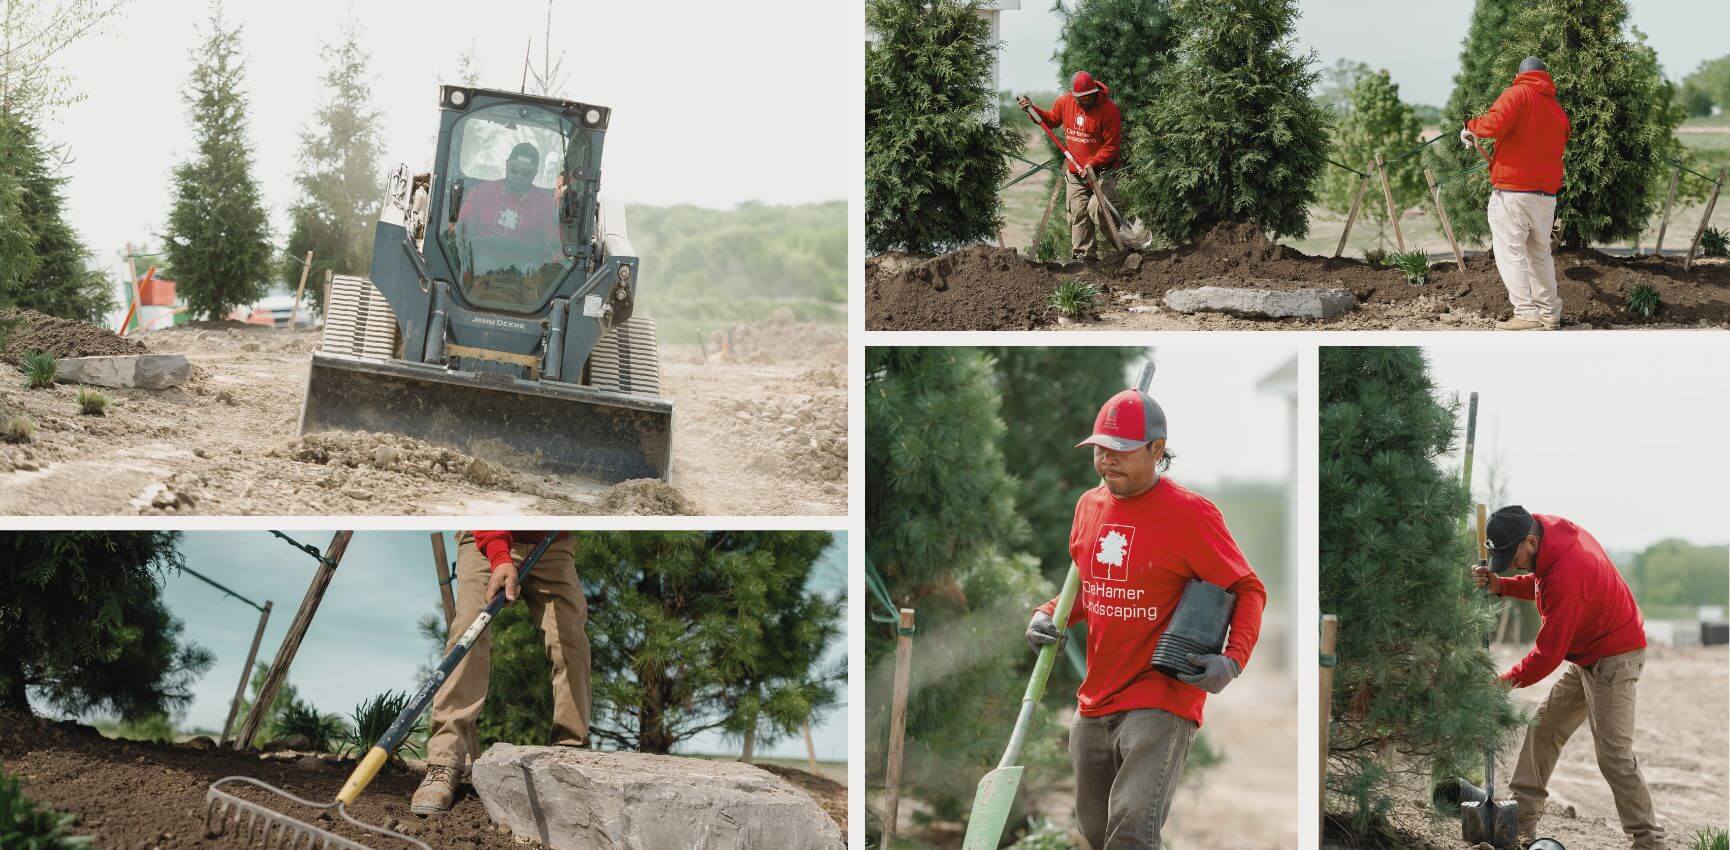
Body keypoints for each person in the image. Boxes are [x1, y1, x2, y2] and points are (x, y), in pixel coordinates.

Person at [1025, 387, 1266, 850]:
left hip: (1161, 696)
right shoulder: (1089, 507)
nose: (1107, 459)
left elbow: (1248, 588)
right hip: (1095, 700)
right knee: (1097, 833)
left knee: (1132, 832)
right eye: (1100, 448)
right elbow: (1090, 586)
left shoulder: (1191, 515)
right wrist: (1045, 615)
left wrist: (1233, 659)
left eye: (1121, 449)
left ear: (1157, 450)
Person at [1473, 506, 1660, 848]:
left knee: (1614, 755)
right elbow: (1541, 584)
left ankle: (1650, 842)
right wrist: (1502, 585)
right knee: (1543, 727)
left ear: (1529, 540)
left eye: (1511, 557)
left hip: (1615, 658)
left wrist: (1501, 684)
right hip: (1590, 654)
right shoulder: (1547, 536)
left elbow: (1546, 656)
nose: (1511, 564)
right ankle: (1520, 822)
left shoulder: (1568, 572)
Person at [411, 531, 590, 815]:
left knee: (571, 641)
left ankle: (572, 752)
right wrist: (498, 553)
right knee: (470, 632)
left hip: (551, 541)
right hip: (487, 538)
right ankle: (444, 762)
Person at [1462, 56, 1571, 331]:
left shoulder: (1518, 94)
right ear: (1545, 76)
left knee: (1511, 252)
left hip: (1513, 193)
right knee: (1540, 254)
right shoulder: (1556, 109)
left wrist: (1470, 126)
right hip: (1546, 195)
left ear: (1519, 74)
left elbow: (1494, 125)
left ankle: (1526, 313)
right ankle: (1550, 313)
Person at [1017, 71, 1123, 260]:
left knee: (1098, 209)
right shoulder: (1065, 102)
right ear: (1073, 95)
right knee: (1078, 213)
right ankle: (1085, 260)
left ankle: (1123, 249)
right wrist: (1033, 110)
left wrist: (1091, 164)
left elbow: (1112, 147)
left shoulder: (1109, 110)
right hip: (1075, 175)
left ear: (1095, 92)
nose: (1085, 101)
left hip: (1102, 172)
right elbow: (1051, 120)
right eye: (1081, 98)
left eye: (1089, 96)